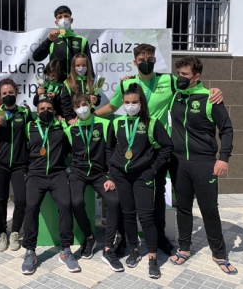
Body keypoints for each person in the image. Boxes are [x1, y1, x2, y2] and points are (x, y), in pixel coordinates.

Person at [95, 43, 223, 256]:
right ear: (135, 62)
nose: (146, 61)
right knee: (126, 197)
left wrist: (214, 90)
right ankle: (127, 240)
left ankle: (160, 237)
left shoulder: (169, 80)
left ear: (155, 60)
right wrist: (90, 114)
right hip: (134, 152)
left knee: (158, 195)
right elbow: (111, 107)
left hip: (158, 150)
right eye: (142, 58)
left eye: (150, 58)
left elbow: (191, 86)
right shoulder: (128, 83)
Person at [169, 56, 237, 275]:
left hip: (205, 163)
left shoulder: (211, 97)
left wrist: (223, 157)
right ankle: (184, 248)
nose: (180, 78)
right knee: (183, 208)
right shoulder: (176, 95)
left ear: (196, 76)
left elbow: (226, 129)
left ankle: (219, 253)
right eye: (178, 74)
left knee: (209, 210)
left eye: (185, 75)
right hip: (179, 163)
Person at [107, 83, 173, 279]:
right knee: (128, 214)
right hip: (122, 176)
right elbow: (109, 148)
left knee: (146, 217)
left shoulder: (152, 123)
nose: (130, 105)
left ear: (141, 103)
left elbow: (167, 147)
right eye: (126, 102)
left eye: (134, 102)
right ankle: (134, 249)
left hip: (143, 175)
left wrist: (153, 169)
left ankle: (152, 257)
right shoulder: (117, 123)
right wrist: (113, 167)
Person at [21, 96, 80, 275]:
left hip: (57, 173)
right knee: (30, 207)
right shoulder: (29, 127)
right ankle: (30, 251)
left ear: (54, 111)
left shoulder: (61, 126)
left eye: (49, 108)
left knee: (65, 205)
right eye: (42, 109)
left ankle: (65, 250)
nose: (45, 111)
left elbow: (73, 144)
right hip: (35, 174)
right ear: (36, 112)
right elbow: (21, 147)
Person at [64, 93, 123, 272]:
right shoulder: (70, 129)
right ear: (74, 110)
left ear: (90, 104)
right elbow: (65, 152)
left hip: (100, 173)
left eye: (84, 104)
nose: (81, 108)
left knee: (113, 201)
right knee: (76, 202)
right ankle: (89, 237)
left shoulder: (105, 124)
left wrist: (111, 176)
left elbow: (111, 152)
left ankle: (108, 248)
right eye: (77, 106)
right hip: (78, 172)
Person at [0, 78, 31, 252]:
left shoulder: (24, 113)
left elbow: (32, 135)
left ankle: (15, 231)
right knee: (0, 199)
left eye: (11, 93)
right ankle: (2, 232)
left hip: (20, 164)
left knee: (21, 199)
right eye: (4, 94)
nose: (8, 96)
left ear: (16, 93)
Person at [32, 5, 93, 82]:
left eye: (66, 16)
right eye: (60, 17)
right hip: (58, 86)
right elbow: (36, 57)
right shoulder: (52, 40)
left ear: (71, 20)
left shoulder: (81, 40)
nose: (63, 19)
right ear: (56, 22)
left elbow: (89, 66)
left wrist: (92, 89)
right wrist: (49, 40)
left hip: (76, 86)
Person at [61, 53, 100, 125]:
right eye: (78, 65)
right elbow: (65, 104)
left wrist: (96, 100)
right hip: (74, 121)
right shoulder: (68, 82)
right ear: (73, 67)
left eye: (84, 65)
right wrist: (69, 119)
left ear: (88, 66)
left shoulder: (93, 81)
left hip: (90, 119)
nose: (81, 67)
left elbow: (98, 99)